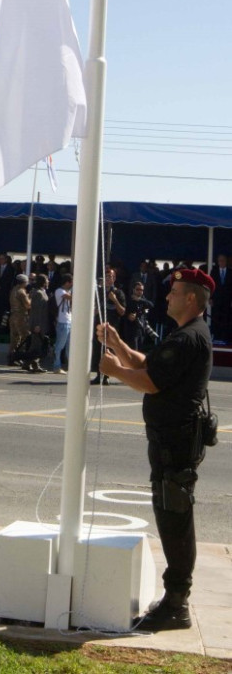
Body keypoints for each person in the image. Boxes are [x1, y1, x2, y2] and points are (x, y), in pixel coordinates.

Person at [96, 267, 215, 631]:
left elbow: (149, 382)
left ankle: (176, 603)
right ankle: (175, 599)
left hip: (175, 445)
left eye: (174, 292)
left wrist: (114, 370)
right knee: (171, 514)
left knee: (175, 519)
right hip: (171, 442)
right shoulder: (185, 334)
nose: (167, 296)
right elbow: (149, 365)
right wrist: (118, 344)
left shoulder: (188, 338)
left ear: (191, 298)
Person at [91, 267, 126, 385]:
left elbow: (122, 311)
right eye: (106, 276)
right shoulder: (99, 292)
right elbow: (93, 308)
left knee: (108, 351)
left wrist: (115, 300)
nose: (108, 279)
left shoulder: (118, 292)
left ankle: (106, 376)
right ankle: (98, 374)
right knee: (98, 350)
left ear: (114, 278)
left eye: (110, 277)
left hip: (111, 327)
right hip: (99, 325)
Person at [7, 274, 30, 366]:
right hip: (21, 316)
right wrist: (30, 298)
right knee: (25, 337)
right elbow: (28, 305)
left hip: (13, 315)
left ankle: (11, 357)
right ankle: (20, 356)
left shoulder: (13, 290)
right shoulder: (21, 292)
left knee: (14, 338)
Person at [52, 274, 72, 374]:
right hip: (62, 322)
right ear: (67, 282)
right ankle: (57, 366)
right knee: (59, 345)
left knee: (69, 346)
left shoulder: (69, 291)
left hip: (69, 321)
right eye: (71, 282)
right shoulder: (59, 291)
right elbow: (70, 298)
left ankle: (71, 366)